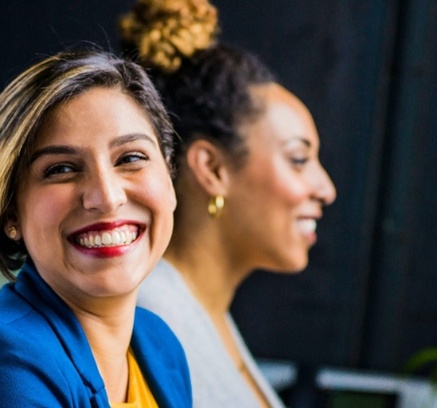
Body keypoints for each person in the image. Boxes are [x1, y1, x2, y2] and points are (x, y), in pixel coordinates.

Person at [0, 50, 191, 407]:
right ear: (11, 213)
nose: (106, 197)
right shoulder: (0, 369)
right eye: (61, 169)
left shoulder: (159, 346)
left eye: (131, 158)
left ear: (168, 179)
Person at [119, 0, 338, 407]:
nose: (325, 189)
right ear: (212, 168)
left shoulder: (203, 312)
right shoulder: (150, 322)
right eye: (298, 159)